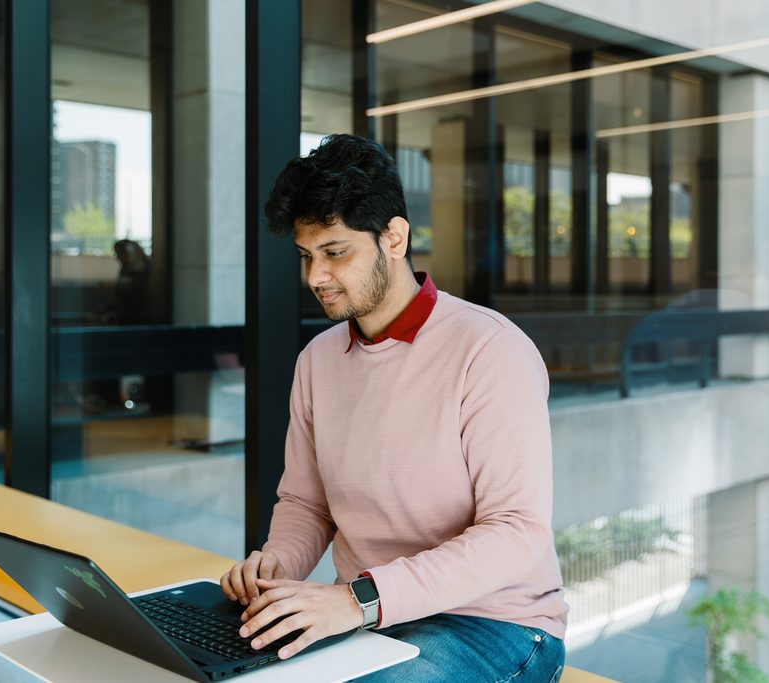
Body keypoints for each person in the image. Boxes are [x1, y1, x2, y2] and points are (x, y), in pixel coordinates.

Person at [220, 134, 568, 682]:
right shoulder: (318, 360)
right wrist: (276, 566)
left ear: (395, 238)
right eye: (307, 257)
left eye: (336, 253)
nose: (316, 277)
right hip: (363, 616)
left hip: (489, 624)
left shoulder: (490, 349)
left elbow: (516, 531)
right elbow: (306, 504)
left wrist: (360, 599)